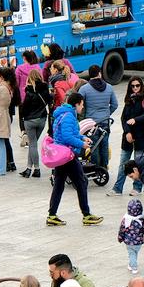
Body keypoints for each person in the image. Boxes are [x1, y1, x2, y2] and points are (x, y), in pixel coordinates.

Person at [46, 93, 103, 227]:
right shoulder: (70, 116)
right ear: (76, 104)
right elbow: (67, 137)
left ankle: (52, 215)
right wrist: (81, 144)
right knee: (81, 182)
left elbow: (70, 133)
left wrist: (82, 138)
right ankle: (86, 214)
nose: (82, 107)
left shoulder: (63, 113)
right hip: (67, 155)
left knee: (59, 184)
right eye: (82, 104)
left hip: (61, 154)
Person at [79, 65, 118, 169]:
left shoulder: (84, 89)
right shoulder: (109, 87)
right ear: (100, 73)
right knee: (104, 145)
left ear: (89, 75)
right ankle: (104, 167)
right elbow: (115, 104)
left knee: (93, 146)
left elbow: (78, 105)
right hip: (105, 122)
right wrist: (107, 114)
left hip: (91, 124)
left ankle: (95, 168)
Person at [19, 69, 50, 178]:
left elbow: (24, 108)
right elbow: (49, 101)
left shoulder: (29, 91)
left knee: (32, 145)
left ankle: (36, 169)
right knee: (33, 145)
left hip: (30, 121)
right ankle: (28, 169)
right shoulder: (45, 90)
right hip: (41, 120)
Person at [118, 198, 144, 275]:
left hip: (128, 242)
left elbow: (122, 229)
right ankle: (131, 264)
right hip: (138, 242)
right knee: (134, 253)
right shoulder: (141, 220)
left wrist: (120, 238)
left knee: (131, 253)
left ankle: (134, 267)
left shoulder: (126, 219)